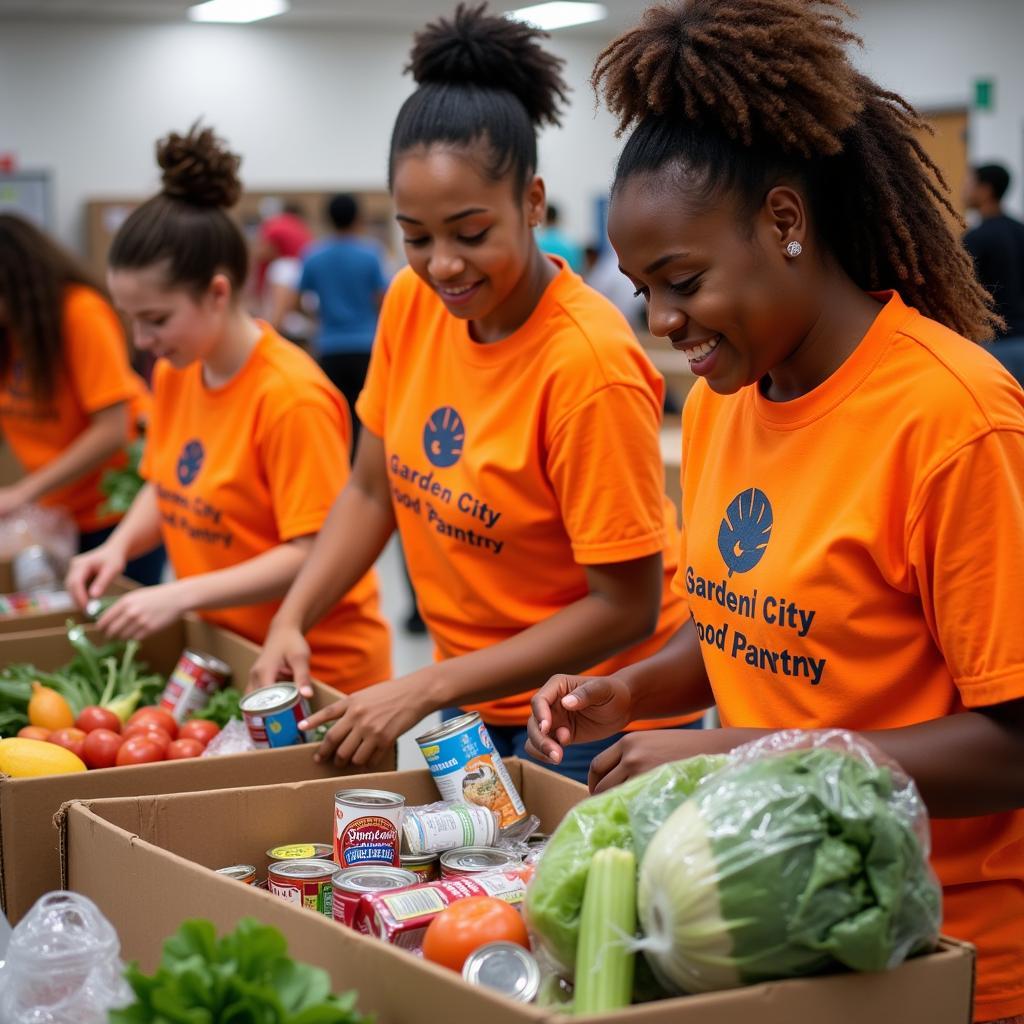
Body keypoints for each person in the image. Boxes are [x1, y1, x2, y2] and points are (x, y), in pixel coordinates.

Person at [524, 2, 1024, 1021]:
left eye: (682, 282)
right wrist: (640, 688)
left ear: (786, 224)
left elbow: (1013, 746)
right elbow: (758, 625)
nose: (664, 325)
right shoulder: (725, 402)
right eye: (642, 292)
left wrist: (728, 752)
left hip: (943, 953)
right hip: (774, 929)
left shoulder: (955, 419)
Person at [249, 4, 701, 783]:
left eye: (470, 232)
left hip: (594, 707)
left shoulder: (586, 365)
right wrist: (293, 617)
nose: (443, 266)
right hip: (473, 696)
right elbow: (369, 489)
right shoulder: (409, 303)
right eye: (416, 237)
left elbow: (623, 605)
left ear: (531, 202)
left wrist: (427, 684)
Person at [65, 124, 391, 697]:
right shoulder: (176, 370)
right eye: (131, 318)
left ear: (218, 292)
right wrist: (115, 548)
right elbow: (166, 486)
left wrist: (179, 593)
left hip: (318, 671)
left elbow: (311, 553)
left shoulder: (290, 397)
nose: (141, 339)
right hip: (229, 652)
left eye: (157, 319)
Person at [0, 214, 164, 584]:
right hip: (59, 511)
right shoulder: (10, 335)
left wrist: (24, 492)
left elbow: (112, 431)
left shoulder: (80, 313)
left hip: (117, 510)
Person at [298, 193, 390, 447]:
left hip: (329, 346)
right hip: (366, 345)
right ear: (358, 217)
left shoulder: (313, 255)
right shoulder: (370, 254)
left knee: (337, 415)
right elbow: (384, 299)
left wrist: (320, 316)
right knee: (369, 418)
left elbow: (298, 300)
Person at [964, 163, 1024, 381]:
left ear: (985, 190)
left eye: (970, 183)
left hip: (995, 346)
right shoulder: (1020, 231)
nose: (965, 189)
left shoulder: (977, 238)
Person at [534, 202, 583, 272]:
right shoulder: (572, 244)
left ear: (543, 217)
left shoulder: (536, 242)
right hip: (567, 281)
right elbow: (578, 270)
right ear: (557, 217)